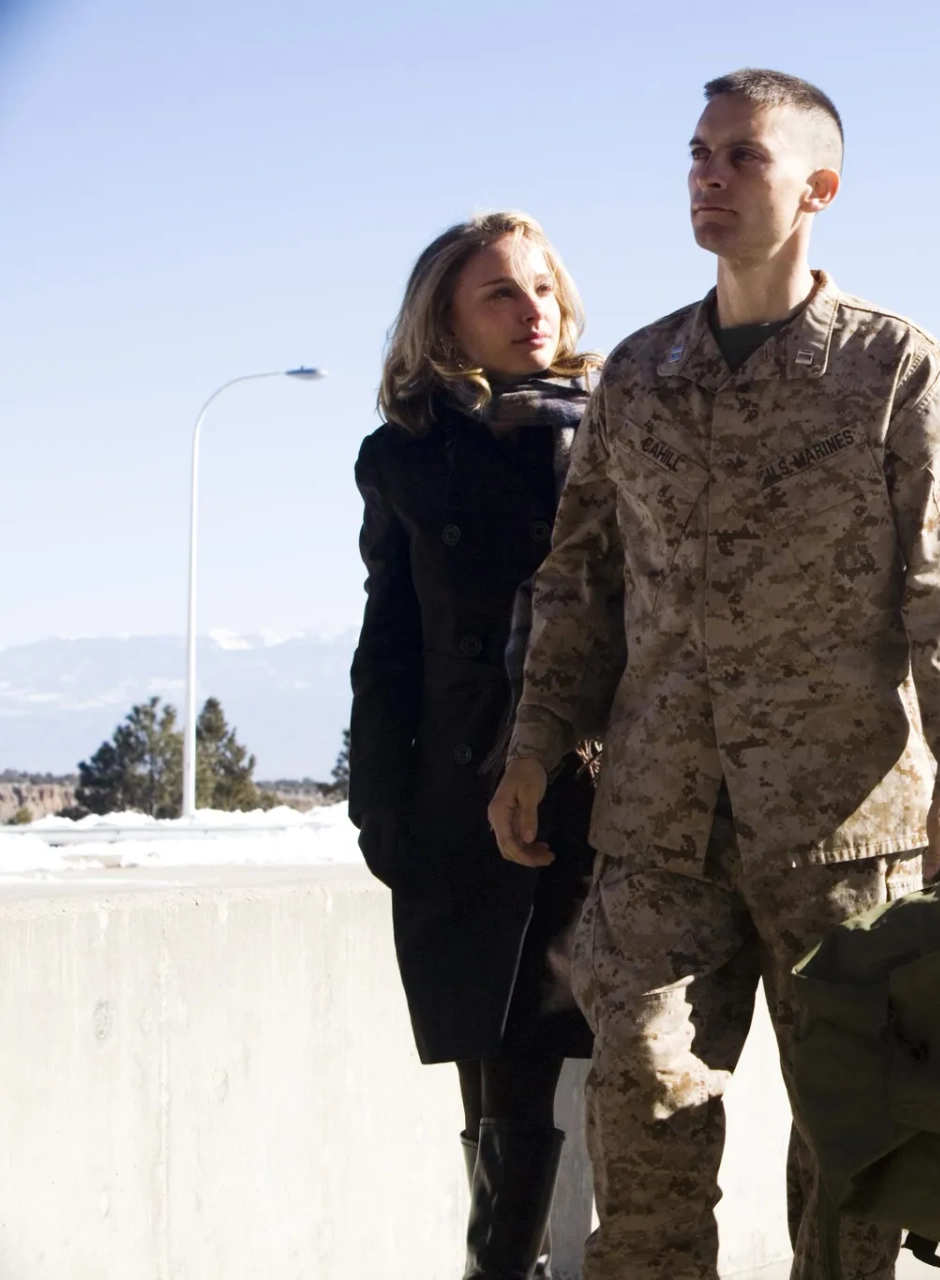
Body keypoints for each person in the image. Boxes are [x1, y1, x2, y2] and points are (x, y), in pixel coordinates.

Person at [485, 69, 940, 1280]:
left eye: (742, 157)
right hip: (662, 819)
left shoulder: (892, 369)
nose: (708, 177)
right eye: (697, 154)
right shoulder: (638, 373)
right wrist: (533, 744)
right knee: (645, 1100)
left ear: (819, 187)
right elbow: (581, 582)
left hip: (847, 831)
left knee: (851, 1165)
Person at [349, 211, 601, 1279]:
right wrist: (381, 806)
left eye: (542, 287)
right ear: (443, 316)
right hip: (459, 795)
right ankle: (510, 1258)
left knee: (547, 1044)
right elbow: (390, 641)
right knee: (484, 1049)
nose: (531, 310)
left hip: (595, 793)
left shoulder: (617, 431)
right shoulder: (406, 456)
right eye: (500, 291)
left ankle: (509, 1261)